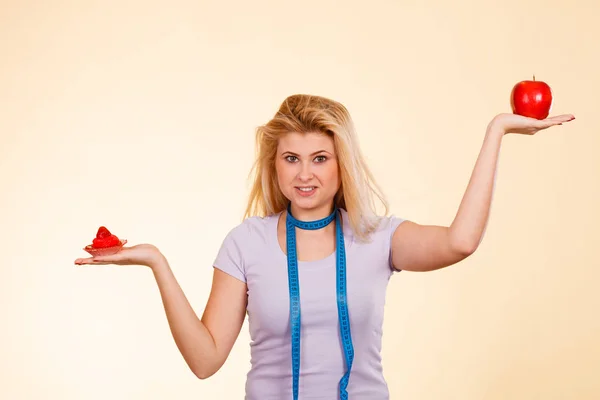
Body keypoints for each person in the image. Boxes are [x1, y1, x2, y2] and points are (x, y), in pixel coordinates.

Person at [74, 94, 574, 399]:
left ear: (342, 165)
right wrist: (157, 263)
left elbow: (460, 241)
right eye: (291, 158)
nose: (305, 174)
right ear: (275, 165)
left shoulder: (376, 236)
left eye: (320, 158)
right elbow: (205, 362)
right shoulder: (245, 242)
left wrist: (497, 132)